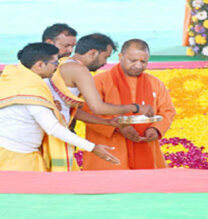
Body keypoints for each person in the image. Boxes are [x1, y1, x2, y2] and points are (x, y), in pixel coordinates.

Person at [0, 43, 119, 172]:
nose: (57, 67)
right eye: (55, 63)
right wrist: (92, 147)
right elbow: (53, 128)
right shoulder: (30, 90)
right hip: (18, 157)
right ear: (40, 65)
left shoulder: (13, 79)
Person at [82, 39, 176, 170]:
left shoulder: (155, 83)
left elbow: (167, 111)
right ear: (120, 57)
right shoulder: (100, 81)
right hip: (111, 149)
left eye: (143, 61)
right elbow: (87, 111)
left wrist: (156, 129)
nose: (138, 65)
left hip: (145, 145)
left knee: (147, 186)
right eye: (133, 61)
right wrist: (118, 128)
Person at [44, 33, 154, 129]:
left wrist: (106, 122)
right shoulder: (79, 70)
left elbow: (71, 110)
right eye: (105, 57)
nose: (105, 62)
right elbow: (98, 107)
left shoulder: (64, 62)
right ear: (93, 53)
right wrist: (136, 108)